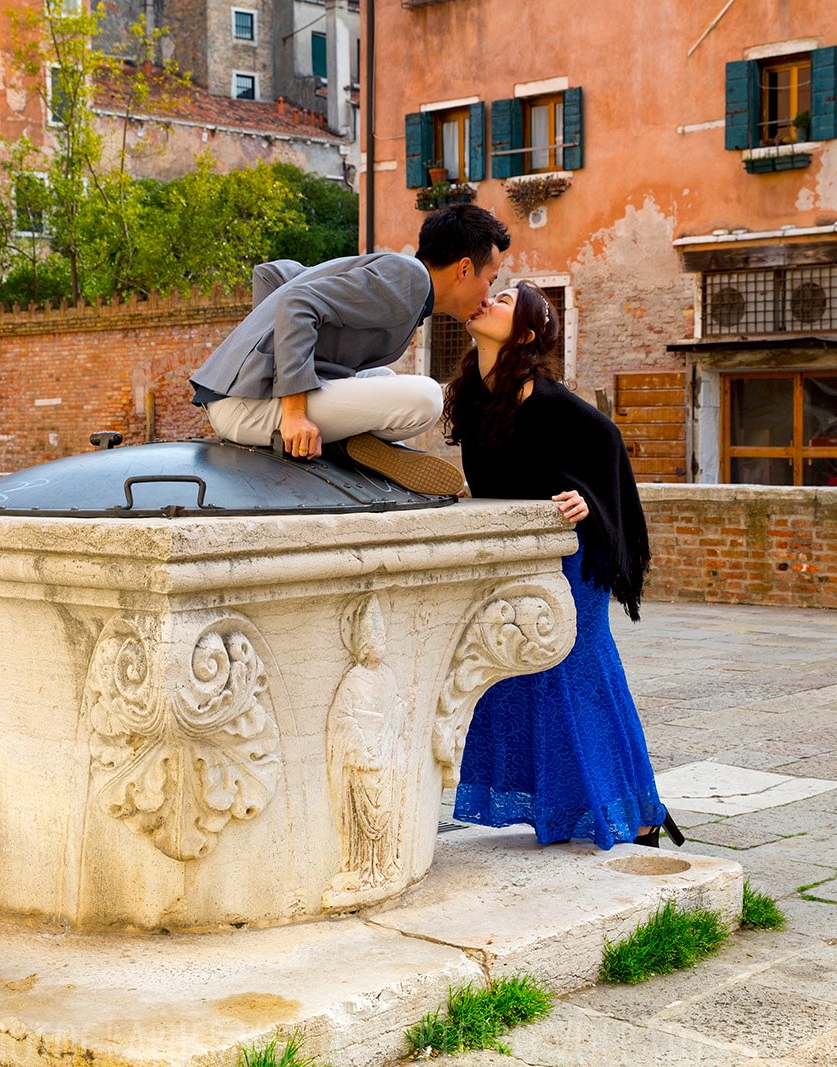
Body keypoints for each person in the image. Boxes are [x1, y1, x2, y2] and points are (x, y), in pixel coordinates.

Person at [441, 281, 683, 850]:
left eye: (503, 301)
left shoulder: (544, 395)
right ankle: (574, 806)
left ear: (523, 333)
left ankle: (640, 812)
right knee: (515, 676)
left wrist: (587, 502)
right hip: (517, 558)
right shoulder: (475, 396)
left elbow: (607, 441)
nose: (489, 300)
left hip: (571, 562)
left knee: (574, 678)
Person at [189, 204, 510, 496]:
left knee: (382, 377)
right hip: (246, 407)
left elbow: (274, 274)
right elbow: (297, 303)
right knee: (426, 397)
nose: (487, 296)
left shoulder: (404, 280)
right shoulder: (408, 280)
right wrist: (294, 413)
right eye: (490, 280)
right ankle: (347, 446)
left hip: (240, 399)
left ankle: (351, 444)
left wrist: (266, 362)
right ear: (464, 269)